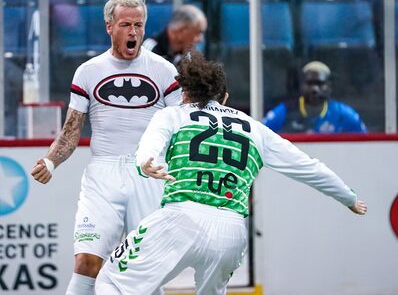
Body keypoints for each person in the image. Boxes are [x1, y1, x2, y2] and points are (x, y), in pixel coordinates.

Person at [95, 51, 368, 295]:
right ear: (224, 97)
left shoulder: (173, 114)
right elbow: (308, 167)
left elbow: (150, 145)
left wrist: (146, 161)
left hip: (179, 219)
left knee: (110, 282)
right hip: (231, 232)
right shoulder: (255, 128)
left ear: (185, 94)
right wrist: (349, 198)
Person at [30, 0, 181, 295]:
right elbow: (71, 130)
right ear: (109, 27)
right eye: (126, 24)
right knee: (86, 261)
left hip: (149, 174)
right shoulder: (89, 72)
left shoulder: (165, 71)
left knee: (145, 268)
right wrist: (50, 160)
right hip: (103, 174)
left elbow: (182, 128)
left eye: (139, 25)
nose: (134, 32)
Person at [263, 61, 368, 133]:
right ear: (301, 85)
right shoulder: (284, 111)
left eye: (320, 83)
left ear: (329, 87)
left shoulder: (344, 114)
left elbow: (366, 144)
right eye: (309, 83)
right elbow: (260, 136)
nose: (314, 89)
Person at [143, 4, 207, 66]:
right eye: (198, 33)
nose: (201, 40)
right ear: (182, 31)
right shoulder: (148, 50)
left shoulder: (188, 57)